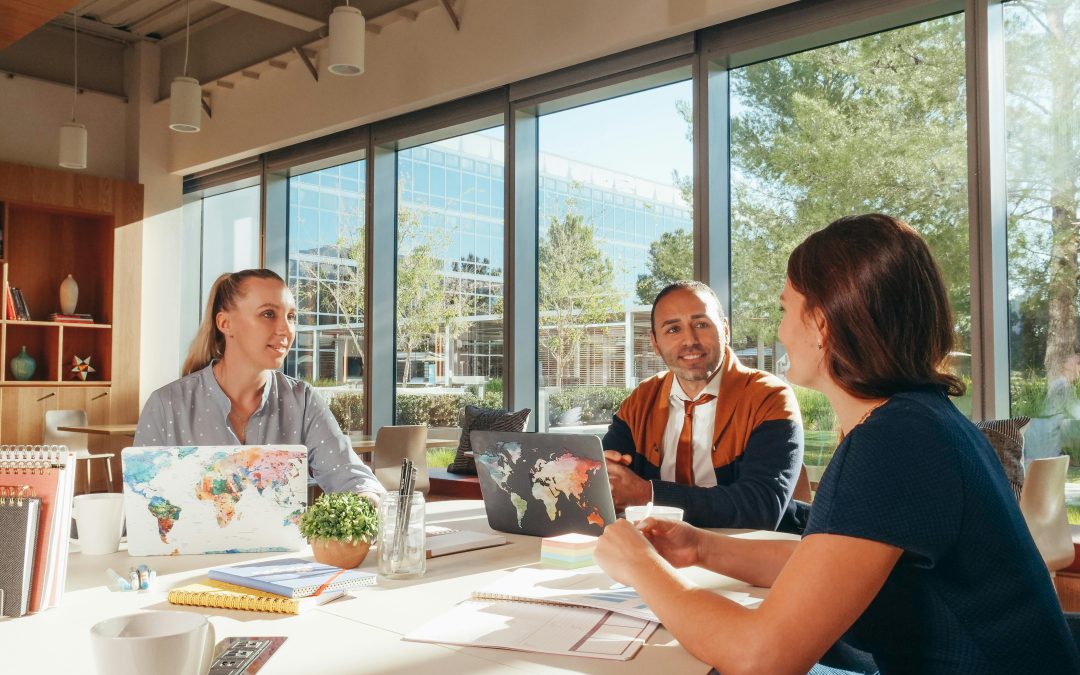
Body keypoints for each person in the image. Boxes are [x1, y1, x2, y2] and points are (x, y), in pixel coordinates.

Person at [593, 214, 1079, 674]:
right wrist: (699, 547)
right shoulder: (918, 421)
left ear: (822, 324)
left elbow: (761, 658)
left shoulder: (893, 444)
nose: (780, 330)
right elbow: (825, 565)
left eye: (786, 308)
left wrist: (641, 568)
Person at [135, 268, 383, 502]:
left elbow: (352, 478)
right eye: (268, 314)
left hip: (284, 550)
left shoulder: (303, 401)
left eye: (291, 316)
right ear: (225, 324)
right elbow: (141, 502)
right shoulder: (166, 406)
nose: (286, 329)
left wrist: (366, 501)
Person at [602, 280, 804, 529]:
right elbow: (604, 483)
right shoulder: (640, 401)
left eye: (701, 324)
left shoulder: (769, 397)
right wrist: (600, 478)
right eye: (673, 330)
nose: (690, 340)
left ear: (726, 330)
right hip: (656, 551)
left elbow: (762, 508)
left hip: (749, 555)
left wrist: (648, 494)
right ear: (655, 343)